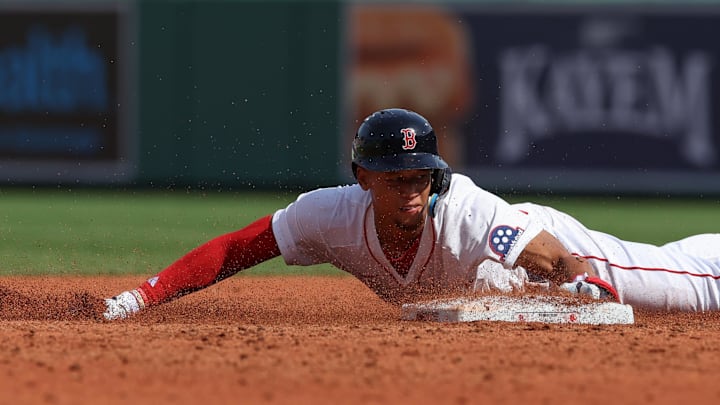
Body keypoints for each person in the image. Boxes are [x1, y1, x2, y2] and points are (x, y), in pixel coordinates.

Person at [103, 108, 720, 320]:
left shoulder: (468, 212)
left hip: (540, 237)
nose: (413, 192)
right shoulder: (331, 218)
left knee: (687, 288)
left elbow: (559, 258)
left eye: (423, 178)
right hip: (493, 289)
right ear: (363, 179)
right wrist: (139, 298)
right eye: (397, 180)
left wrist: (583, 283)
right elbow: (239, 247)